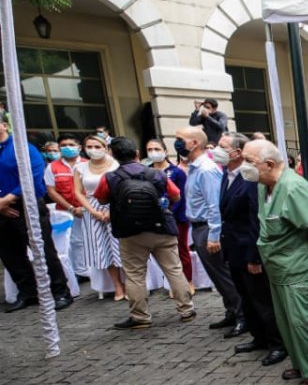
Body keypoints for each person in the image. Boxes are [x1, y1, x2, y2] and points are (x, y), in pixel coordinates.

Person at [242, 140, 308, 385]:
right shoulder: (264, 186)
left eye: (249, 161)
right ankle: (302, 364)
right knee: (286, 321)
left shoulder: (293, 187)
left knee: (302, 322)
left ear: (269, 164)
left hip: (298, 266)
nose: (244, 166)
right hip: (277, 266)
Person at [93, 136, 195, 329]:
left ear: (112, 155)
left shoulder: (110, 177)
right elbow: (176, 195)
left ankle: (140, 316)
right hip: (161, 227)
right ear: (137, 153)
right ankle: (186, 310)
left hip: (130, 232)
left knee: (134, 275)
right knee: (173, 269)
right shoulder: (156, 174)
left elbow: (101, 199)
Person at [217, 133, 286, 362]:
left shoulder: (251, 179)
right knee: (246, 298)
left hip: (249, 250)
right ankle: (259, 337)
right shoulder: (227, 176)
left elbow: (257, 219)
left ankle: (277, 343)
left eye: (223, 147)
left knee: (262, 300)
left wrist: (254, 257)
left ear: (237, 152)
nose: (217, 151)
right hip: (234, 248)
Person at [0, 114, 72, 312]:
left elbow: (33, 176)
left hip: (27, 205)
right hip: (1, 210)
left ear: (4, 125)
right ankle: (28, 292)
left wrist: (9, 198)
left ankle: (60, 291)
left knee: (43, 250)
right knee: (10, 254)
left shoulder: (22, 147)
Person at [175, 127, 243, 333]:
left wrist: (214, 236)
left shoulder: (206, 169)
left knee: (223, 275)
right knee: (216, 276)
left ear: (194, 143)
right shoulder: (195, 168)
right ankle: (232, 311)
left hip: (208, 228)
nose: (177, 143)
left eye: (181, 139)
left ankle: (242, 315)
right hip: (199, 227)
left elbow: (214, 206)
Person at [74, 133, 125, 301]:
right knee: (102, 248)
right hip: (92, 209)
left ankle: (131, 283)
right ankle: (117, 285)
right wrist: (92, 211)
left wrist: (112, 211)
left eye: (97, 146)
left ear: (105, 148)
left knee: (121, 246)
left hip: (115, 206)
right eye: (89, 147)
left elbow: (123, 187)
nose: (93, 150)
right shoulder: (80, 167)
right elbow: (78, 192)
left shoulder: (115, 165)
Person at [146, 139, 192, 290]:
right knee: (163, 253)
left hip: (176, 217)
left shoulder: (177, 172)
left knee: (181, 250)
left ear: (165, 151)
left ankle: (188, 281)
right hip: (153, 218)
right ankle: (172, 283)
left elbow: (181, 197)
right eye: (150, 150)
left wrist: (168, 212)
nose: (153, 152)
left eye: (157, 149)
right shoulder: (145, 172)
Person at [43, 133, 88, 278]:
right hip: (67, 212)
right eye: (63, 145)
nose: (67, 148)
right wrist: (71, 208)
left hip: (89, 209)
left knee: (91, 240)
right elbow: (51, 191)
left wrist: (85, 208)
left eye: (71, 145)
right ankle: (80, 271)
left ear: (79, 147)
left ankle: (95, 270)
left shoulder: (88, 164)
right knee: (73, 242)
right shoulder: (52, 167)